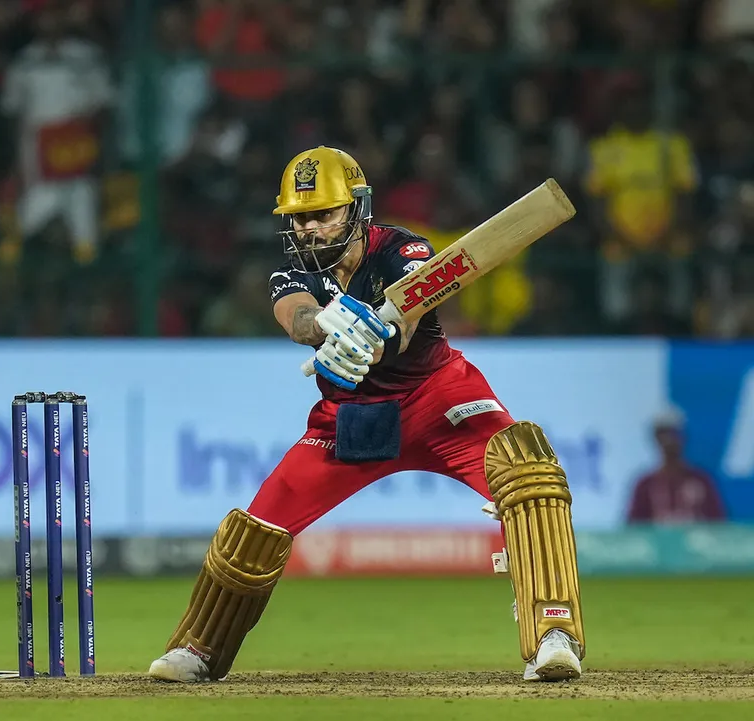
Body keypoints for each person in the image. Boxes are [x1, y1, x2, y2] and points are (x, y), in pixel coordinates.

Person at [147, 147, 585, 683]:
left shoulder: (404, 249)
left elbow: (413, 304)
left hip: (438, 398)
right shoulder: (291, 275)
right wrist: (324, 326)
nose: (308, 229)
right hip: (347, 418)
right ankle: (201, 648)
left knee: (528, 473)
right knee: (257, 526)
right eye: (299, 218)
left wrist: (375, 336)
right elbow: (295, 316)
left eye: (322, 214)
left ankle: (552, 633)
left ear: (356, 209)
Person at [627, 409, 726, 523]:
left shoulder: (701, 481)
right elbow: (634, 529)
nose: (669, 440)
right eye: (663, 434)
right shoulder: (646, 484)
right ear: (655, 439)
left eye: (674, 433)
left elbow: (719, 525)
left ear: (683, 437)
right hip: (658, 540)